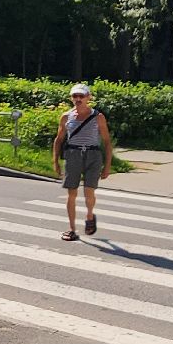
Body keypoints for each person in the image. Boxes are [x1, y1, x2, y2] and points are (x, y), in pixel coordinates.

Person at [52, 83, 113, 241]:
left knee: (89, 191)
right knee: (71, 192)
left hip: (93, 154)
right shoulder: (66, 116)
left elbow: (106, 141)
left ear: (88, 98)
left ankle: (90, 216)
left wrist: (107, 166)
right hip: (72, 154)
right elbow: (58, 140)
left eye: (81, 96)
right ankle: (72, 228)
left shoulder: (98, 116)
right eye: (75, 96)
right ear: (71, 98)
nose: (78, 99)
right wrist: (56, 161)